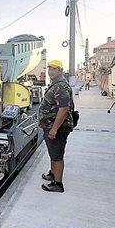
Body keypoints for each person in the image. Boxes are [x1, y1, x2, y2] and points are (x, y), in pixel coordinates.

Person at [38, 59, 74, 193]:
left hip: (57, 128)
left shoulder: (62, 86)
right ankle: (52, 174)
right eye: (50, 69)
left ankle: (57, 184)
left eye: (54, 69)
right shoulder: (56, 84)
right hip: (50, 125)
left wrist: (54, 128)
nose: (51, 71)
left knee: (57, 155)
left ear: (60, 71)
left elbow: (64, 108)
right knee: (53, 152)